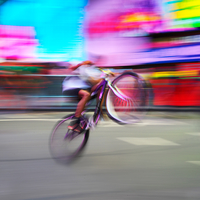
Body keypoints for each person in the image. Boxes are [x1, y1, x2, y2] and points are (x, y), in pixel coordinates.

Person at [62, 60, 105, 133]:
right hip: (70, 88)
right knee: (86, 94)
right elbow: (92, 80)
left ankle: (98, 112)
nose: (89, 65)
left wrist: (104, 78)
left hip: (81, 88)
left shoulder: (89, 70)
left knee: (101, 88)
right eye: (88, 63)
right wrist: (103, 79)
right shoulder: (82, 68)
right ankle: (74, 121)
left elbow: (95, 81)